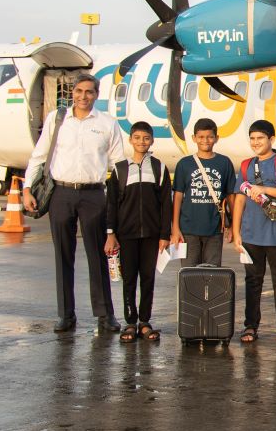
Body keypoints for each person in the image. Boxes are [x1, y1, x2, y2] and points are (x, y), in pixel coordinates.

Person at [22, 74, 125, 334]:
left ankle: (105, 315)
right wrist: (26, 189)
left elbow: (119, 164)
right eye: (78, 91)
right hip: (61, 193)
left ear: (96, 94)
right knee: (63, 256)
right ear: (72, 93)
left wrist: (121, 198)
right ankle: (66, 315)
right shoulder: (58, 120)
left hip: (93, 195)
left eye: (89, 92)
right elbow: (39, 156)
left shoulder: (107, 124)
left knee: (97, 255)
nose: (83, 96)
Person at [231, 119, 276, 344]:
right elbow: (240, 200)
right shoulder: (245, 166)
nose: (256, 143)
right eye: (252, 139)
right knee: (253, 281)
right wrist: (236, 232)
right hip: (251, 233)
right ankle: (250, 326)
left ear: (271, 140)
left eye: (260, 138)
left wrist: (264, 189)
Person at [102, 121, 172, 343]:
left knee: (148, 278)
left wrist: (164, 234)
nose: (142, 142)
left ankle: (145, 321)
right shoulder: (120, 169)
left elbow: (165, 204)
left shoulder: (159, 168)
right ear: (130, 140)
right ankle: (130, 322)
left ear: (152, 140)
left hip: (152, 235)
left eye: (146, 138)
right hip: (127, 234)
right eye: (137, 138)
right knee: (129, 278)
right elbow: (112, 203)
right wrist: (111, 233)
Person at [170, 118, 236, 267]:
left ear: (216, 138)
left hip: (214, 230)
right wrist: (175, 228)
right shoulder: (184, 164)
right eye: (200, 137)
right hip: (188, 230)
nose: (205, 140)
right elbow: (178, 197)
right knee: (189, 274)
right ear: (194, 138)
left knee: (212, 273)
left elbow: (231, 196)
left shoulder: (224, 163)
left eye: (210, 136)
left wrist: (232, 226)